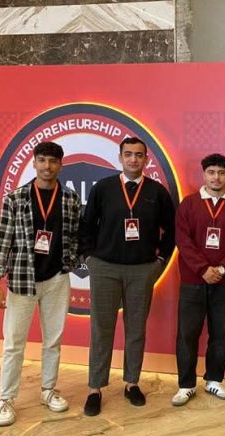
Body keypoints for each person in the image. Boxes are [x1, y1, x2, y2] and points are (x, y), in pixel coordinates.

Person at [79, 137, 176, 416]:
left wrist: (160, 261)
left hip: (141, 270)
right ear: (120, 157)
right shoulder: (103, 188)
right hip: (105, 267)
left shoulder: (157, 192)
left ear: (146, 159)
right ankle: (95, 388)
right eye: (129, 154)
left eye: (139, 155)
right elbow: (87, 226)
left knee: (136, 329)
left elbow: (171, 230)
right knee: (101, 329)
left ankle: (132, 383)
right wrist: (89, 258)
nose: (134, 159)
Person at [0, 142, 81, 426]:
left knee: (53, 340)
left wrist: (70, 262)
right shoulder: (16, 198)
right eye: (42, 160)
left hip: (57, 279)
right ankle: (6, 400)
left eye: (52, 161)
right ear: (34, 162)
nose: (47, 166)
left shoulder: (70, 198)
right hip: (22, 279)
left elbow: (76, 235)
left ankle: (48, 390)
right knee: (13, 343)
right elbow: (2, 241)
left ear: (61, 164)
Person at [172, 153, 225, 405]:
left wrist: (223, 269)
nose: (216, 177)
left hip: (224, 283)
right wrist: (203, 269)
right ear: (204, 174)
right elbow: (183, 241)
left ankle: (214, 380)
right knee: (187, 334)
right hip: (193, 282)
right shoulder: (188, 204)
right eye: (211, 172)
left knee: (220, 334)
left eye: (221, 173)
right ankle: (186, 385)